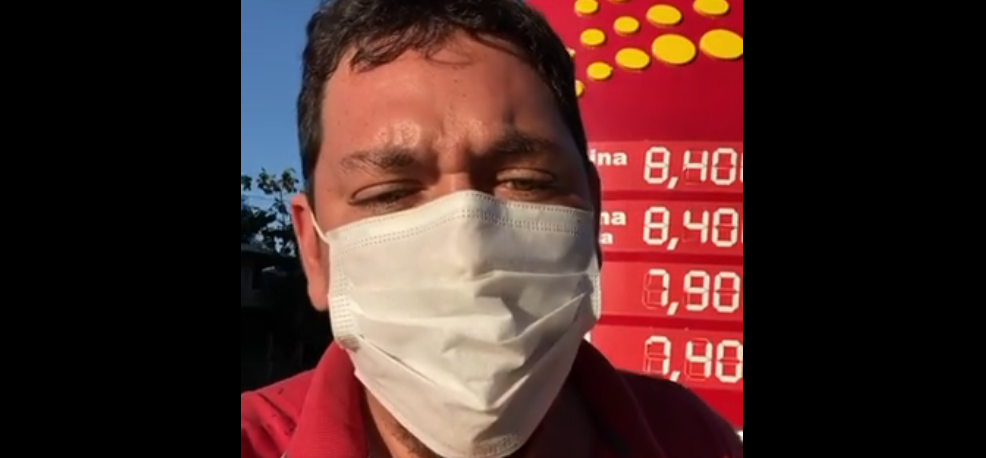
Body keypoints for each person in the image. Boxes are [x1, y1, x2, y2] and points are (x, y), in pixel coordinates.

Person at [240, 1, 744, 457]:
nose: (467, 250)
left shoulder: (694, 441)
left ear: (593, 218)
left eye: (525, 182)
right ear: (314, 249)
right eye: (388, 193)